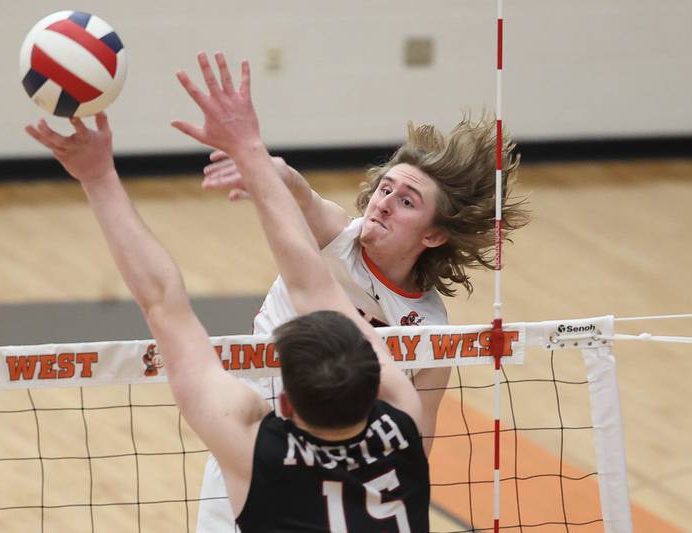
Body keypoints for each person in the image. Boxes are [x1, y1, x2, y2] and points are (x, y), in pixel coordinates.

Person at [26, 52, 430, 532]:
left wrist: (98, 176)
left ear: (284, 404)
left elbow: (165, 304)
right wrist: (250, 150)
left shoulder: (254, 453)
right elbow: (313, 285)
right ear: (375, 381)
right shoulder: (404, 426)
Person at [194, 96, 529, 533]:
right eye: (385, 188)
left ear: (433, 235)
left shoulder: (429, 331)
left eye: (407, 202)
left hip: (335, 471)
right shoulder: (337, 237)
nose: (383, 203)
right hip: (252, 438)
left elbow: (415, 444)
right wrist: (269, 170)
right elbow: (302, 195)